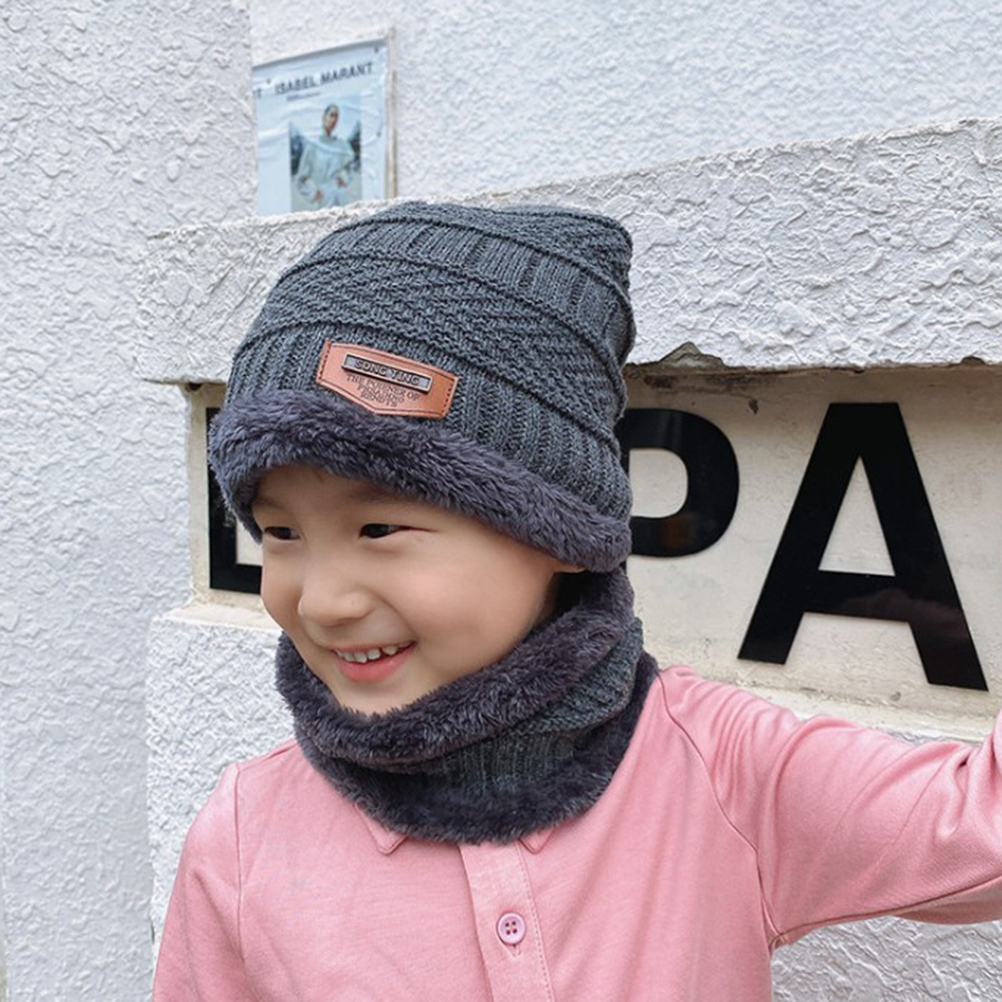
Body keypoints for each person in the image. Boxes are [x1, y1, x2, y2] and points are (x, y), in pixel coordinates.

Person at [153, 201, 1002, 1000]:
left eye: (378, 528)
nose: (324, 602)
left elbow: (977, 831)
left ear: (556, 530)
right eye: (280, 533)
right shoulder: (245, 837)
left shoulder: (717, 770)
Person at [294, 103, 356, 208]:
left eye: (336, 117)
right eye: (331, 115)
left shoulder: (342, 145)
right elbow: (301, 179)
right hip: (324, 197)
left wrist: (344, 177)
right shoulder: (312, 147)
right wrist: (313, 193)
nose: (334, 120)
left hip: (341, 195)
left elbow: (351, 165)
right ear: (324, 117)